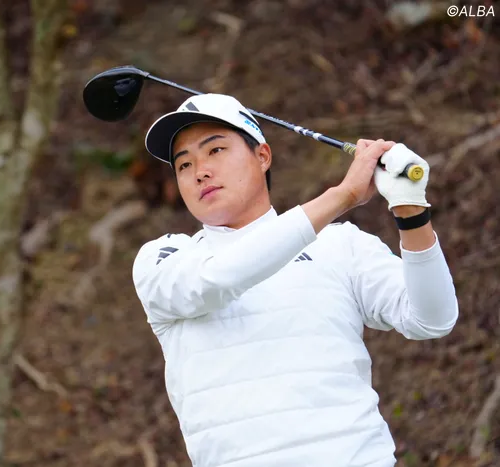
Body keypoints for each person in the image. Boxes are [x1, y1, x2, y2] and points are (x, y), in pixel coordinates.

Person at [131, 93, 458, 467]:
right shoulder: (165, 258)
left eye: (215, 150)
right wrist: (343, 196)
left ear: (262, 156)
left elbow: (432, 319)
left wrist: (411, 212)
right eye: (184, 164)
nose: (200, 171)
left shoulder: (339, 244)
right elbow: (219, 278)